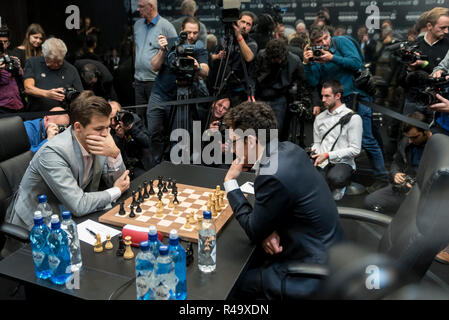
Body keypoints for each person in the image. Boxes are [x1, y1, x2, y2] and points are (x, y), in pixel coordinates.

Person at [223, 101, 344, 299]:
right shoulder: (289, 148)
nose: (232, 150)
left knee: (231, 282)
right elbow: (289, 200)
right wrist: (269, 228)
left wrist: (230, 182)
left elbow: (253, 230)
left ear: (251, 141)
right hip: (328, 247)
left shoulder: (272, 174)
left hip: (309, 269)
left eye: (234, 142)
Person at [5, 91, 130, 232]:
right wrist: (116, 190)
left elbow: (121, 181)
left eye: (107, 127)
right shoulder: (54, 152)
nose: (106, 134)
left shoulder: (99, 140)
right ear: (78, 127)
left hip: (72, 217)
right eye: (99, 129)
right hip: (37, 228)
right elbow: (79, 204)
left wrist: (115, 154)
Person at [303, 24, 389, 193]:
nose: (324, 43)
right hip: (336, 102)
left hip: (356, 97)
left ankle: (382, 178)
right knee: (341, 139)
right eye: (318, 42)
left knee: (366, 139)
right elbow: (313, 81)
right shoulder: (315, 54)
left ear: (330, 36)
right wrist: (307, 63)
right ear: (313, 44)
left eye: (325, 39)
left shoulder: (341, 42)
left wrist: (332, 58)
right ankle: (347, 173)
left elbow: (357, 63)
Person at [147, 16, 209, 166]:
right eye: (188, 32)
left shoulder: (199, 48)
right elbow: (154, 66)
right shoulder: (171, 43)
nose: (191, 36)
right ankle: (156, 165)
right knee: (155, 132)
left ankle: (174, 168)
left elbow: (205, 71)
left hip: (183, 95)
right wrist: (162, 49)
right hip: (160, 94)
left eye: (195, 33)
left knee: (179, 137)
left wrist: (197, 66)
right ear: (182, 30)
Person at [365, 112, 432, 214]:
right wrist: (395, 174)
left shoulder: (436, 146)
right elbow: (396, 163)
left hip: (425, 193)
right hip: (405, 187)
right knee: (370, 201)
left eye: (414, 137)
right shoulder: (407, 142)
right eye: (408, 137)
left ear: (426, 131)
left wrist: (418, 188)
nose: (410, 141)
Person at [311, 80, 363, 200]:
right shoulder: (320, 118)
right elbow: (317, 142)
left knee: (335, 178)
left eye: (327, 96)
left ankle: (339, 188)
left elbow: (355, 150)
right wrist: (318, 156)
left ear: (338, 96)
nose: (323, 100)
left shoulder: (354, 118)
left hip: (342, 162)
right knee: (310, 179)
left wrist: (328, 155)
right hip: (322, 160)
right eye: (322, 96)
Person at [134, 0, 177, 122]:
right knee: (140, 119)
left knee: (156, 120)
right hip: (138, 81)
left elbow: (174, 55)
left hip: (156, 82)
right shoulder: (137, 25)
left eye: (141, 6)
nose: (138, 9)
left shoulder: (166, 27)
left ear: (151, 7)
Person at [401, 7, 449, 117]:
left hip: (439, 103)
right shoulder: (414, 45)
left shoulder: (448, 45)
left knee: (435, 134)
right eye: (443, 28)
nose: (446, 31)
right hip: (413, 101)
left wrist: (424, 64)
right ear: (429, 26)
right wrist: (410, 70)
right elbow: (401, 81)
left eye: (448, 27)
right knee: (410, 133)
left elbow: (443, 76)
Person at [255, 38, 306, 136]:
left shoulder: (294, 60)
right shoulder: (262, 55)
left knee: (276, 129)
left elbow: (302, 81)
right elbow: (254, 75)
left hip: (280, 96)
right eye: (274, 59)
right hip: (261, 94)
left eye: (279, 59)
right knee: (259, 128)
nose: (277, 61)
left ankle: (273, 149)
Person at [23, 38, 83, 112]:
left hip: (63, 115)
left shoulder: (71, 69)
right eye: (53, 61)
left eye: (59, 61)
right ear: (45, 56)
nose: (56, 64)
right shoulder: (33, 63)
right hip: (37, 115)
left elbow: (80, 96)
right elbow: (28, 88)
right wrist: (47, 94)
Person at [212, 11, 258, 106]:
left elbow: (249, 57)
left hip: (241, 91)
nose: (244, 26)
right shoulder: (225, 40)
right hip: (223, 88)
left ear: (251, 28)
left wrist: (238, 36)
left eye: (248, 24)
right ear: (237, 22)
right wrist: (217, 57)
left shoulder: (252, 43)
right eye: (242, 22)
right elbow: (210, 58)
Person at [109, 101, 151, 178]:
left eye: (115, 118)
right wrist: (119, 137)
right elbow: (112, 154)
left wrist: (131, 128)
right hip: (120, 167)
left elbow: (147, 142)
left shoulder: (131, 119)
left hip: (139, 163)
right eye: (109, 118)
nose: (112, 122)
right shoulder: (106, 126)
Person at [0, 25, 24, 113]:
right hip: (2, 106)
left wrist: (18, 69)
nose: (2, 44)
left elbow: (21, 79)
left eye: (5, 42)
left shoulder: (11, 57)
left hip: (17, 104)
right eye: (0, 42)